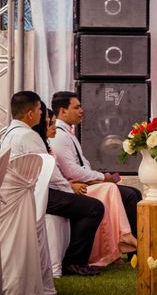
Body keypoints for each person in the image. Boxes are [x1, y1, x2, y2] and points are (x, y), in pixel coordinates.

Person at [0, 91, 104, 276]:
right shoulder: (28, 136)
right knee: (94, 207)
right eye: (40, 110)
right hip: (36, 195)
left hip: (16, 196)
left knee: (83, 205)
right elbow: (49, 174)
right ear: (31, 113)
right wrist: (69, 190)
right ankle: (74, 262)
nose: (43, 115)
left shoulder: (8, 133)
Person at [40, 96, 136, 267]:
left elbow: (83, 164)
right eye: (77, 107)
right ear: (63, 111)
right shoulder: (59, 136)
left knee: (133, 192)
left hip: (75, 184)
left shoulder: (66, 133)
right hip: (70, 187)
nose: (82, 111)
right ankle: (125, 242)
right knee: (125, 194)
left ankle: (131, 246)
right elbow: (70, 171)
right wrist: (100, 178)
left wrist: (98, 177)